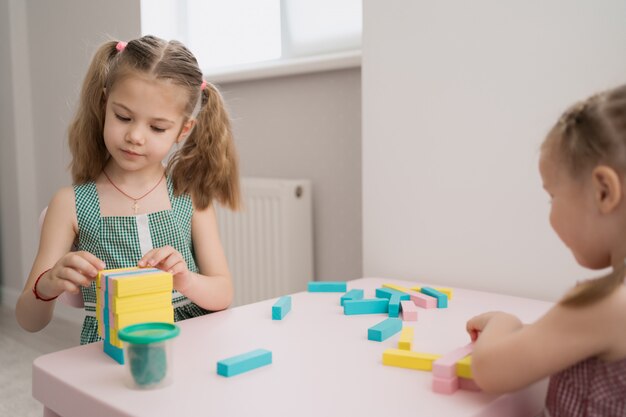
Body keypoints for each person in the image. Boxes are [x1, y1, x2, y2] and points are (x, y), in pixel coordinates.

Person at [16, 35, 240, 345]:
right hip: (110, 352)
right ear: (104, 103)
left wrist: (184, 279)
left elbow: (223, 293)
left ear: (182, 130)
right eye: (123, 117)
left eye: (157, 127)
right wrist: (48, 284)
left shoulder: (189, 196)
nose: (135, 135)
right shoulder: (69, 204)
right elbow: (29, 321)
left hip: (189, 346)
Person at [466, 85, 626, 416]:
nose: (550, 212)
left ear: (603, 192)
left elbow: (489, 369)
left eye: (552, 196)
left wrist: (504, 323)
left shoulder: (607, 304)